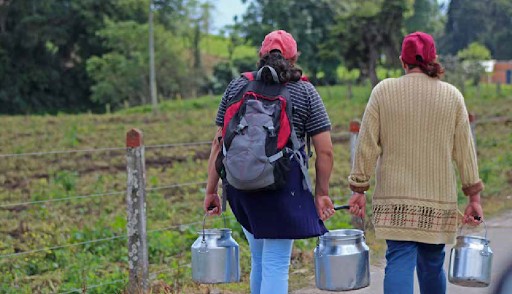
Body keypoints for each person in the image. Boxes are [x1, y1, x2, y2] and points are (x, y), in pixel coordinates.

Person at [347, 32, 484, 294]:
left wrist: (359, 189)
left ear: (403, 61)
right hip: (437, 199)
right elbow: (465, 152)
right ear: (434, 59)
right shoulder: (452, 96)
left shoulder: (383, 91)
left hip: (395, 200)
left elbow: (366, 145)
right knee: (432, 264)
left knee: (398, 260)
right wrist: (473, 197)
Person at [204, 30, 335, 294]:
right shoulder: (304, 91)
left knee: (260, 260)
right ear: (294, 57)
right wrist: (321, 193)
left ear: (261, 56)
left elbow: (218, 143)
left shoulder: (237, 86)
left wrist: (211, 191)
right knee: (276, 263)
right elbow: (326, 152)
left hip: (241, 186)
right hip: (282, 189)